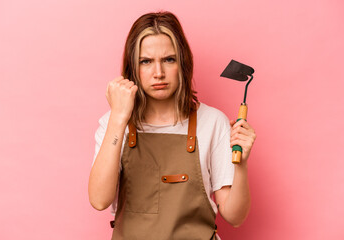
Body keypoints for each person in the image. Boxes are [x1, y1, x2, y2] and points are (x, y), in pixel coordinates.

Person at [88, 11, 256, 240]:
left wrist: (242, 164)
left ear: (183, 62)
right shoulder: (113, 123)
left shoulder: (212, 122)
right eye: (146, 61)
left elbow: (235, 217)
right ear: (132, 69)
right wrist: (119, 118)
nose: (158, 73)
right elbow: (99, 200)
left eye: (169, 59)